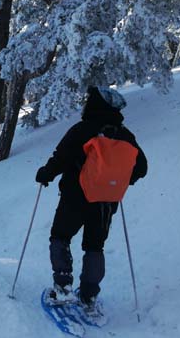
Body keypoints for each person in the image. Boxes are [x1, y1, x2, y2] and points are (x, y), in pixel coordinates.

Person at [35, 86, 147, 314]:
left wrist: (45, 174)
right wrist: (118, 179)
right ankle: (89, 296)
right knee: (95, 246)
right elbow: (142, 168)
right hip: (106, 202)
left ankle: (63, 287)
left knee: (60, 236)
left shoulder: (82, 129)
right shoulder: (125, 135)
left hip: (75, 196)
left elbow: (61, 157)